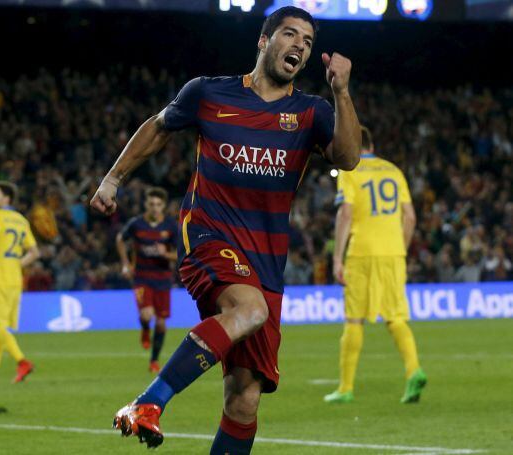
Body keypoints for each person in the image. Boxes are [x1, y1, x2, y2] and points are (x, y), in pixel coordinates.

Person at [90, 6, 361, 453]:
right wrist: (114, 178)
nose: (298, 45)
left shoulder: (311, 112)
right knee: (249, 311)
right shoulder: (209, 93)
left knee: (244, 400)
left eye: (307, 42)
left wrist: (343, 92)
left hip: (267, 261)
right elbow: (159, 128)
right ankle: (148, 402)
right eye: (289, 34)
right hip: (209, 239)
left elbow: (348, 158)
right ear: (263, 40)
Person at [325, 126, 427, 404]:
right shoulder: (394, 171)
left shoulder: (350, 170)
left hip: (362, 252)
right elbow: (410, 217)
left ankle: (345, 388)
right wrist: (400, 248)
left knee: (354, 318)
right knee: (395, 316)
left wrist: (337, 258)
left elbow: (346, 212)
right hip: (393, 253)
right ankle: (413, 370)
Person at [0, 180, 40, 383]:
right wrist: (16, 264)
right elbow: (34, 252)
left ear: (6, 198)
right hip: (15, 279)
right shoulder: (21, 220)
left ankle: (22, 362)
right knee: (1, 327)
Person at [116, 187, 177, 373]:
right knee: (146, 315)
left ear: (164, 206)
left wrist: (166, 254)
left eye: (158, 204)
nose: (155, 207)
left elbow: (180, 253)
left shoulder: (170, 226)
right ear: (146, 204)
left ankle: (154, 360)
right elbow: (120, 238)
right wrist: (126, 263)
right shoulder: (136, 224)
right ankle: (144, 329)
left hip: (163, 279)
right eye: (151, 204)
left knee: (160, 323)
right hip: (142, 277)